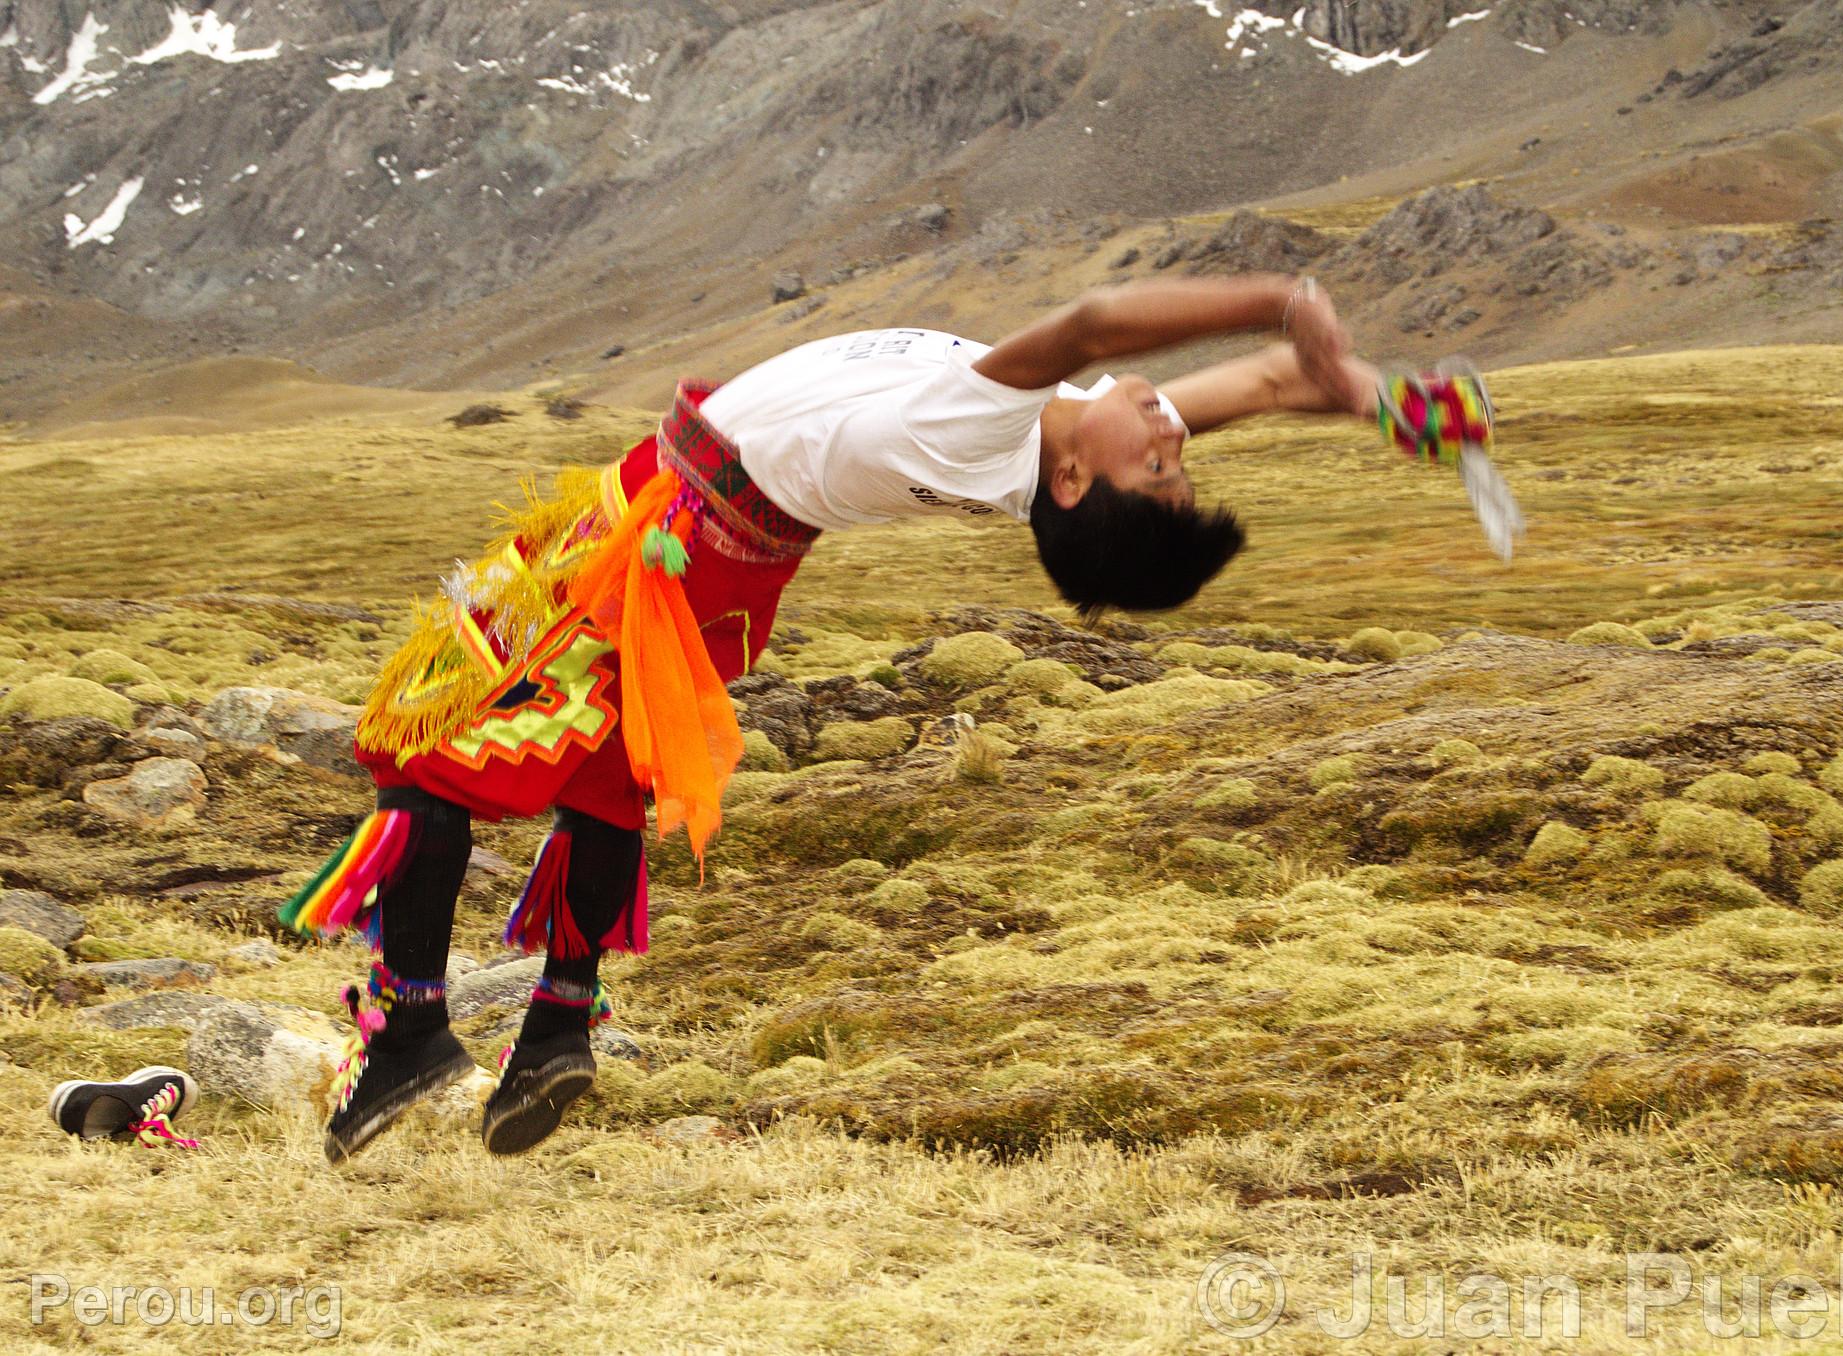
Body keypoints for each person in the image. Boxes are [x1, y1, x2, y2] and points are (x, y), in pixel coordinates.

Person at [281, 273, 1478, 1164]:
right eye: (1177, 460)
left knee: (426, 752)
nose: (1171, 437)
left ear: (1072, 487)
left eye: (1159, 468)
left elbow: (1098, 322)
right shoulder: (1071, 438)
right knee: (603, 781)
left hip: (663, 541)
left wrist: (1282, 295)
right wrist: (1399, 410)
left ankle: (410, 1030)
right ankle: (552, 1030)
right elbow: (1279, 383)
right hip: (710, 550)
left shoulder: (983, 427)